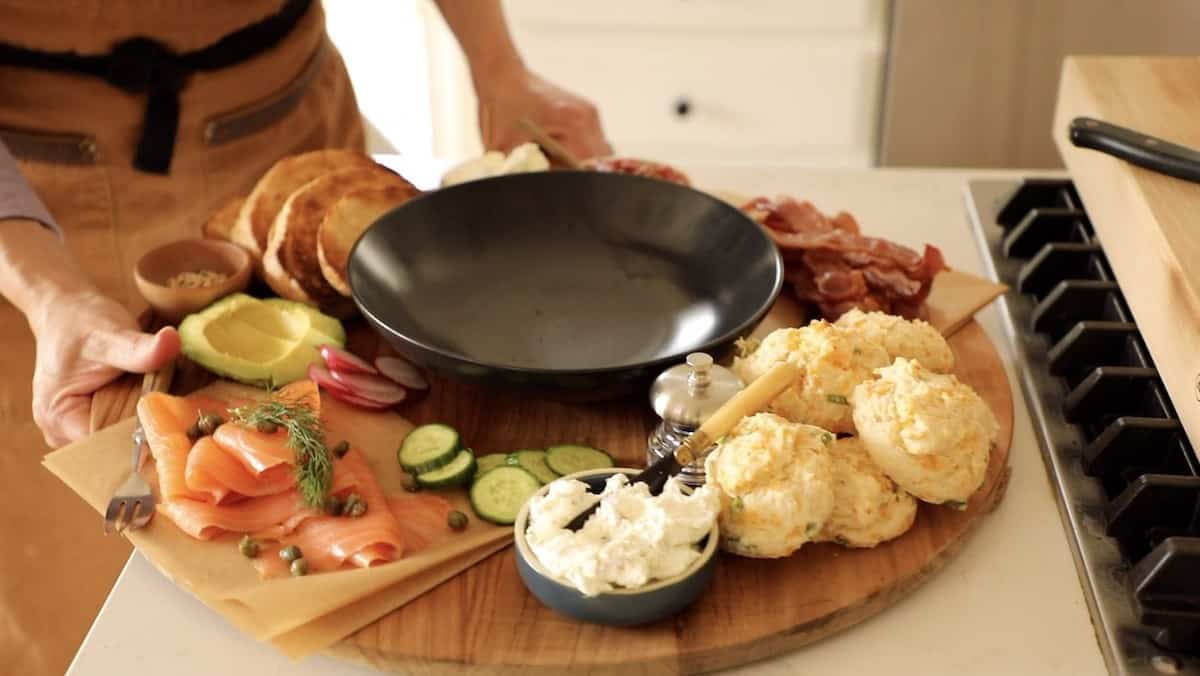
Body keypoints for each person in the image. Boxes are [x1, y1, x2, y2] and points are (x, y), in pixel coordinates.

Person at [0, 2, 610, 673]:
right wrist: (49, 294)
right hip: (39, 217)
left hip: (294, 134)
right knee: (98, 602)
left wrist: (499, 68)